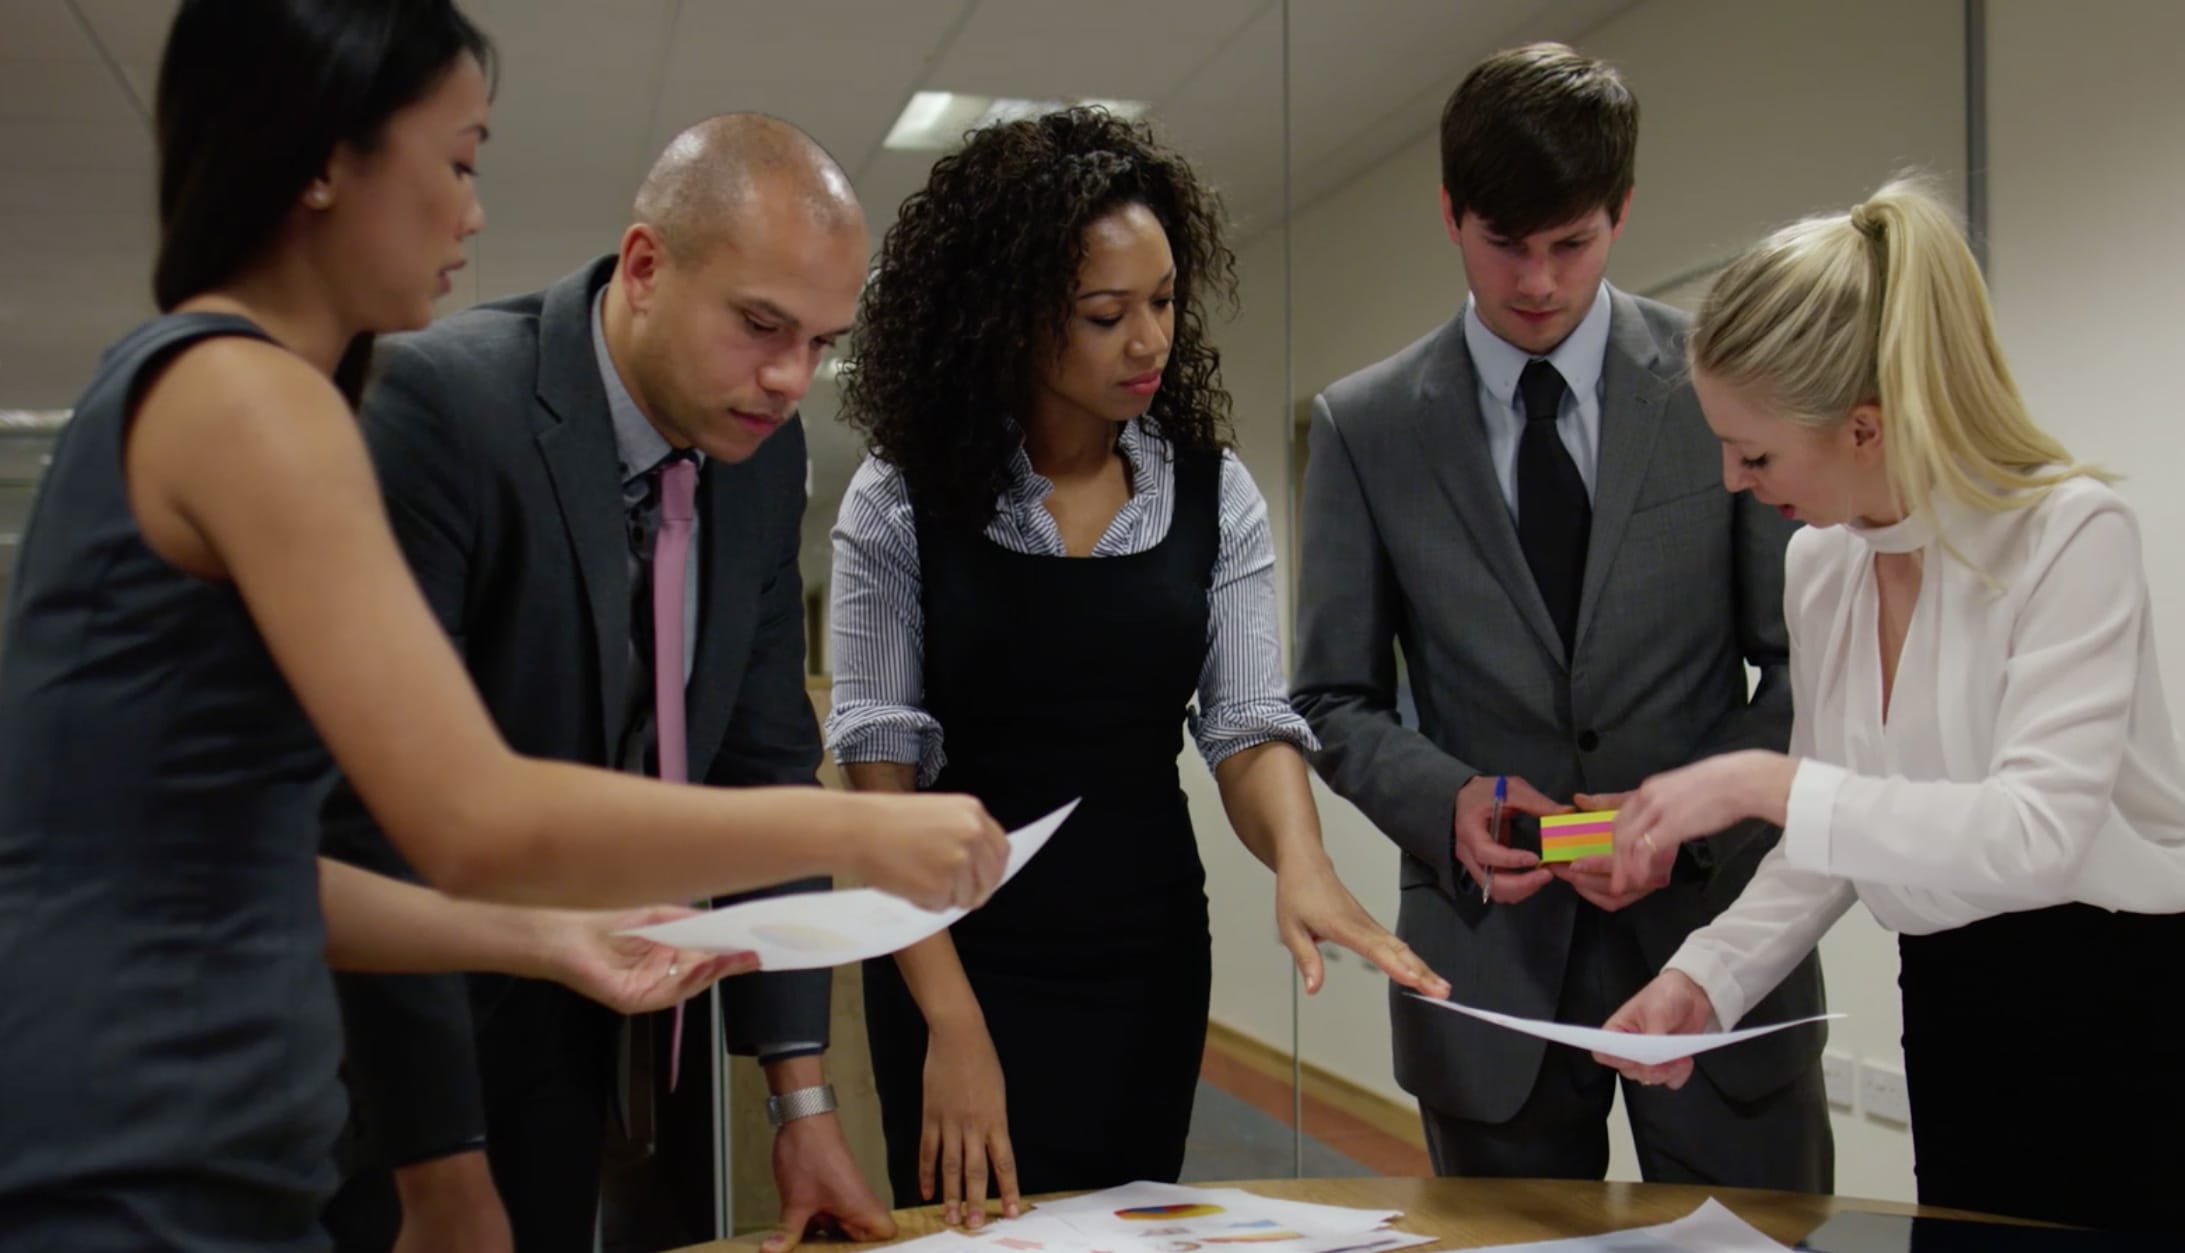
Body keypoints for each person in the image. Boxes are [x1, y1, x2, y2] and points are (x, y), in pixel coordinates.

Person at [0, 2, 1005, 1247]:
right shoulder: (251, 396)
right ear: (325, 159)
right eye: (459, 159)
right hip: (142, 1128)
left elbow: (248, 864)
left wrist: (538, 940)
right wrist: (861, 825)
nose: (472, 212)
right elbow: (468, 816)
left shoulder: (220, 382)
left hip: (196, 1114)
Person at [827, 106, 1448, 1224]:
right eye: (1107, 314)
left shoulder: (1214, 493)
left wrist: (1300, 861)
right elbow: (877, 787)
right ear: (1010, 317)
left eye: (1163, 302)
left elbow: (1247, 723)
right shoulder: (898, 499)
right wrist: (952, 1029)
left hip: (1144, 949)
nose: (1149, 341)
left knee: (1129, 1231)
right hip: (951, 956)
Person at [319, 113, 899, 1253]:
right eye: (759, 326)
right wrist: (438, 1163)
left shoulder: (759, 448)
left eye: (822, 342)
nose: (790, 379)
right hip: (396, 1052)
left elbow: (762, 763)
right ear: (644, 267)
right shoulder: (438, 408)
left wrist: (800, 1099)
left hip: (594, 1037)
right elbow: (371, 820)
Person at [1594, 179, 2185, 1233]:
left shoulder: (2069, 536)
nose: (1731, 479)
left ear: (1863, 426)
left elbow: (2037, 833)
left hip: (2115, 1011)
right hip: (1952, 1006)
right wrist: (1704, 976)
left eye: (1755, 451)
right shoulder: (1821, 565)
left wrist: (1765, 780)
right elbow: (1831, 846)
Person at [1289, 43, 1831, 1188]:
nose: (1536, 281)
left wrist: (1687, 814)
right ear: (1449, 213)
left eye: (1570, 244)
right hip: (1487, 977)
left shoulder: (1717, 382)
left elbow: (1802, 675)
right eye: (1505, 245)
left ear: (1620, 212)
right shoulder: (1364, 426)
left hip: (1714, 948)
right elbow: (1332, 697)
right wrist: (1449, 801)